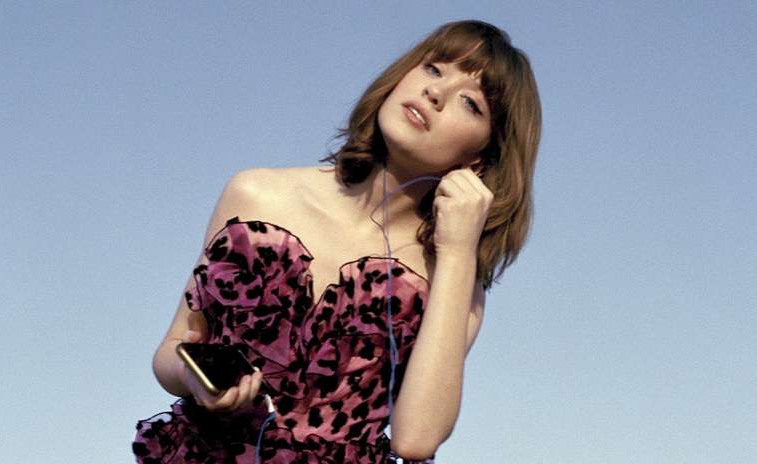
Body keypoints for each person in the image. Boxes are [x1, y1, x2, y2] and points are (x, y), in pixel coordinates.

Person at [132, 19, 541, 463]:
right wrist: (196, 380)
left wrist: (459, 251)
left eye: (470, 102)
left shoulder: (452, 279)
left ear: (481, 158)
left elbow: (416, 440)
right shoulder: (255, 194)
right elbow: (172, 350)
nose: (435, 93)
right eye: (433, 68)